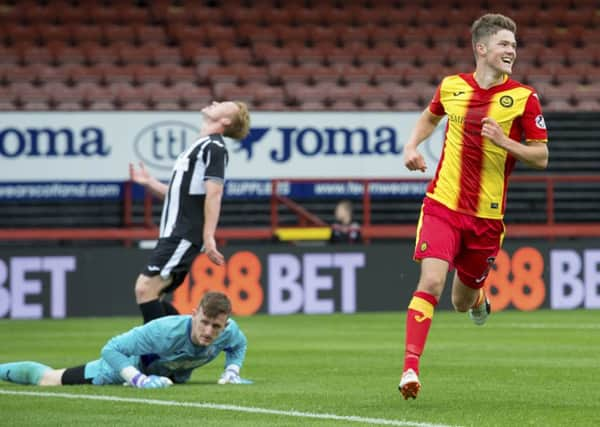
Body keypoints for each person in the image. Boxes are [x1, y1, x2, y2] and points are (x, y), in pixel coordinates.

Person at [398, 13, 549, 400]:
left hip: (486, 218)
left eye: (514, 45)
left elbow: (541, 156)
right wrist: (412, 146)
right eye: (504, 44)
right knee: (431, 282)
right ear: (481, 48)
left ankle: (480, 296)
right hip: (442, 205)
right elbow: (431, 117)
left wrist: (504, 141)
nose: (511, 51)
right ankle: (410, 369)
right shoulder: (452, 86)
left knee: (461, 301)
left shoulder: (523, 98)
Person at [129, 101, 250, 324]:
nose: (215, 102)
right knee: (152, 294)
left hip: (183, 234)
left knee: (145, 288)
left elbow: (214, 194)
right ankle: (177, 348)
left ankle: (156, 356)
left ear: (226, 121)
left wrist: (208, 237)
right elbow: (181, 195)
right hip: (174, 234)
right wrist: (150, 183)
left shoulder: (214, 148)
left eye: (223, 104)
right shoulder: (199, 147)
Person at [0, 292, 250, 387]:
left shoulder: (229, 332)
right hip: (124, 368)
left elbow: (238, 345)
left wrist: (232, 370)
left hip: (168, 375)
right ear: (194, 314)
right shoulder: (162, 331)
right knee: (49, 380)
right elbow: (111, 349)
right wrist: (137, 379)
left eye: (215, 326)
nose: (208, 331)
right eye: (204, 322)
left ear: (224, 325)